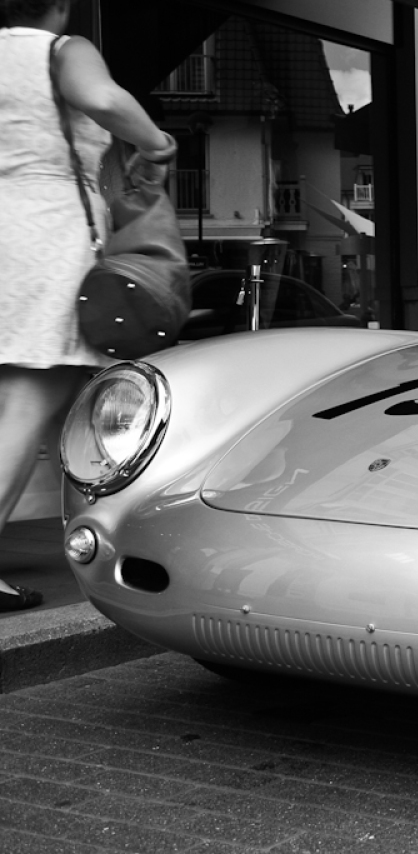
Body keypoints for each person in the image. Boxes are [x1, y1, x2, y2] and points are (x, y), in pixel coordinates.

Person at [0, 0, 176, 612]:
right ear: (60, 4)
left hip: (5, 230)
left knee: (64, 398)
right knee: (31, 395)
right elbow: (102, 99)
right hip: (45, 236)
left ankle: (94, 541)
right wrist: (156, 143)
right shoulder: (62, 50)